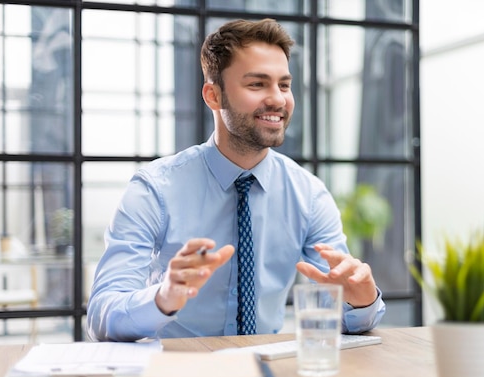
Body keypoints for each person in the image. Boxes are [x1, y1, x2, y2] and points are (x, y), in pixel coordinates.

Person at [87, 18, 386, 342]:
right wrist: (163, 297)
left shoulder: (308, 195)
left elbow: (344, 314)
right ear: (213, 96)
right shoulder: (154, 189)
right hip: (178, 370)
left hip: (269, 371)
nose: (278, 99)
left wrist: (363, 300)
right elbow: (102, 315)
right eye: (257, 84)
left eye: (284, 85)